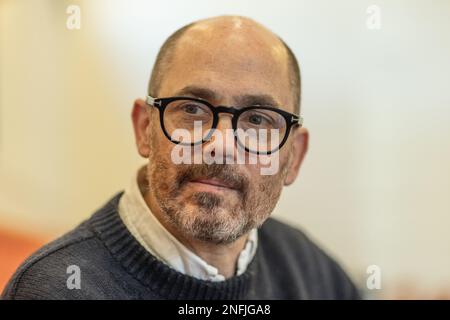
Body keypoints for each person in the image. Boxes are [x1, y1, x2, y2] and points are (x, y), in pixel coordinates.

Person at [2, 15, 359, 299]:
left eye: (257, 119)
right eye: (192, 109)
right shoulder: (58, 289)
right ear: (144, 129)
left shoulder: (308, 269)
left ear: (293, 158)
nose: (221, 144)